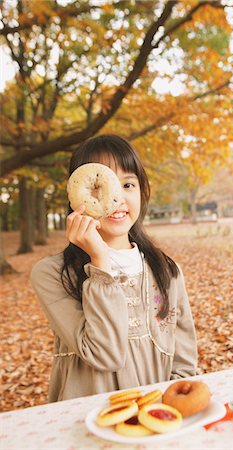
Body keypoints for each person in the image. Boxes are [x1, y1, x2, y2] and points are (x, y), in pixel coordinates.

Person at [30, 134, 199, 403]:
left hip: (155, 419)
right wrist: (99, 261)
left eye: (128, 184)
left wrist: (169, 413)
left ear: (142, 191)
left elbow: (184, 362)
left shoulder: (167, 271)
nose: (116, 198)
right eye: (100, 187)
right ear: (75, 196)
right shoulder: (52, 274)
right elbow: (104, 354)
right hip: (86, 422)